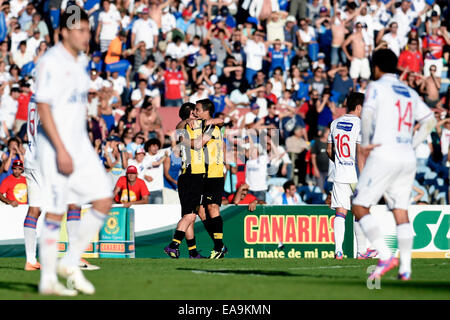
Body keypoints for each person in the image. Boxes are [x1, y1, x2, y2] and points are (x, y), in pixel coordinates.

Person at [35, 8, 113, 296]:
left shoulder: (83, 61)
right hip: (55, 146)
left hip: (79, 145)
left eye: (87, 30)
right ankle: (47, 281)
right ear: (63, 32)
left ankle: (68, 261)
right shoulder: (50, 61)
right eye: (79, 30)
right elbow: (43, 106)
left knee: (104, 198)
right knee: (55, 213)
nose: (85, 36)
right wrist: (61, 150)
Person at [352, 49, 436, 281]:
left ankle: (386, 255)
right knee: (401, 210)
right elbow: (430, 120)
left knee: (359, 205)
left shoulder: (376, 87)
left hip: (383, 152)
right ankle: (405, 269)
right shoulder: (408, 91)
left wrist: (366, 144)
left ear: (376, 67)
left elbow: (367, 115)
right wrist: (411, 143)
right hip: (406, 156)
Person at [326, 92, 374, 260]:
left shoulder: (335, 123)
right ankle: (361, 251)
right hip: (355, 175)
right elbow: (360, 154)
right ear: (359, 107)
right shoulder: (361, 125)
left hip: (339, 174)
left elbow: (329, 151)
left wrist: (340, 161)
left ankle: (338, 251)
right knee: (360, 212)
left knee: (340, 212)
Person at [194, 99, 228, 259]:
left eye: (197, 109)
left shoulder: (211, 127)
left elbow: (199, 144)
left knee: (212, 207)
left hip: (213, 172)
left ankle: (219, 246)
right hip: (201, 174)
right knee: (201, 210)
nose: (195, 112)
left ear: (205, 111)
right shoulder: (203, 125)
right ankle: (219, 245)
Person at [142, 138, 168, 204]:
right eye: (153, 146)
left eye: (157, 146)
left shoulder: (160, 153)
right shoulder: (145, 157)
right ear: (148, 147)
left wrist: (172, 137)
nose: (156, 148)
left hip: (158, 189)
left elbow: (173, 148)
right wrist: (165, 156)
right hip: (147, 190)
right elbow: (156, 163)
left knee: (159, 212)